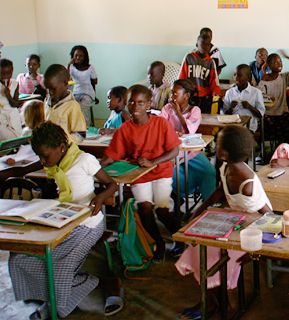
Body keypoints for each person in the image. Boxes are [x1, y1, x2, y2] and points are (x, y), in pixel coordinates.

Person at [9, 121, 122, 319]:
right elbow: (26, 169)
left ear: (61, 147)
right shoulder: (54, 162)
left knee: (58, 270)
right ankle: (53, 295)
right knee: (19, 258)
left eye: (45, 156)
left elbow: (112, 184)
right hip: (63, 221)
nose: (43, 162)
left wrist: (100, 198)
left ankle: (85, 289)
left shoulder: (83, 159)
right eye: (40, 157)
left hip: (88, 224)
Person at [176, 125, 272, 319]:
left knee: (212, 257)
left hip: (251, 232)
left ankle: (223, 306)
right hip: (233, 220)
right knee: (195, 246)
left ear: (225, 153)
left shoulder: (248, 182)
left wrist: (256, 249)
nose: (215, 146)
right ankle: (212, 301)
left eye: (218, 143)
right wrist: (198, 212)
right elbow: (220, 190)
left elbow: (270, 217)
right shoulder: (226, 166)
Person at [101, 84, 183, 261]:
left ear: (148, 104)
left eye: (140, 103)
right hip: (138, 174)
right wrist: (94, 167)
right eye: (131, 102)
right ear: (126, 103)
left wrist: (152, 161)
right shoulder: (124, 129)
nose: (135, 107)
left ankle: (180, 239)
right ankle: (159, 243)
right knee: (144, 209)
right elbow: (110, 156)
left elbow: (174, 151)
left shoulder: (160, 123)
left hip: (160, 171)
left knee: (162, 211)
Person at [160, 79, 217, 201]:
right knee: (172, 176)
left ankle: (209, 204)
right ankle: (180, 195)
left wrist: (178, 113)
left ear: (186, 96)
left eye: (175, 94)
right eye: (171, 93)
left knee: (209, 172)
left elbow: (190, 131)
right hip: (172, 152)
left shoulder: (195, 110)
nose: (171, 97)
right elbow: (162, 129)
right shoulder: (166, 109)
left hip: (191, 151)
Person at [256, 50, 289, 144]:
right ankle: (262, 154)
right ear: (269, 65)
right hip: (268, 113)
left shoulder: (284, 77)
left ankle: (284, 150)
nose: (279, 64)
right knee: (262, 131)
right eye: (275, 62)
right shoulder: (265, 78)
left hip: (282, 113)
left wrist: (288, 57)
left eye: (280, 62)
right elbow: (261, 93)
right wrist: (268, 96)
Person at [178, 32, 221, 114]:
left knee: (203, 118)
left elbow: (214, 81)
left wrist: (216, 95)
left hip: (205, 98)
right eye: (202, 44)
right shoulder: (189, 57)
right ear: (197, 45)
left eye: (208, 45)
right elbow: (182, 77)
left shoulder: (210, 62)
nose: (205, 47)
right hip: (190, 96)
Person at [43, 64, 87, 143]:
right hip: (49, 149)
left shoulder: (73, 106)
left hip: (65, 150)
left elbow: (80, 134)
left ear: (66, 83)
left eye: (53, 88)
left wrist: (61, 143)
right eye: (47, 89)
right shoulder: (47, 102)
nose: (50, 92)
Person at [224, 64, 265, 133]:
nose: (236, 78)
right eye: (234, 75)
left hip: (249, 127)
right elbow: (225, 115)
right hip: (233, 126)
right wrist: (231, 108)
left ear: (248, 77)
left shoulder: (256, 92)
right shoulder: (229, 92)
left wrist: (249, 107)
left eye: (240, 76)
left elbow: (261, 114)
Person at [68, 45, 98, 127]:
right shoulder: (72, 68)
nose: (78, 58)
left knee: (82, 107)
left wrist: (95, 96)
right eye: (76, 56)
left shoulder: (90, 68)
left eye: (80, 56)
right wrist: (68, 65)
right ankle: (74, 127)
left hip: (88, 93)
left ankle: (85, 127)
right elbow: (66, 80)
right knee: (71, 106)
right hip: (76, 93)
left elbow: (94, 82)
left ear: (85, 57)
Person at [0, 58, 21, 140]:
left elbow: (15, 104)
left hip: (13, 116)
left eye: (7, 73)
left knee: (16, 138)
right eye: (2, 74)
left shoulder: (15, 84)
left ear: (12, 71)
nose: (5, 76)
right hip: (1, 117)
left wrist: (8, 95)